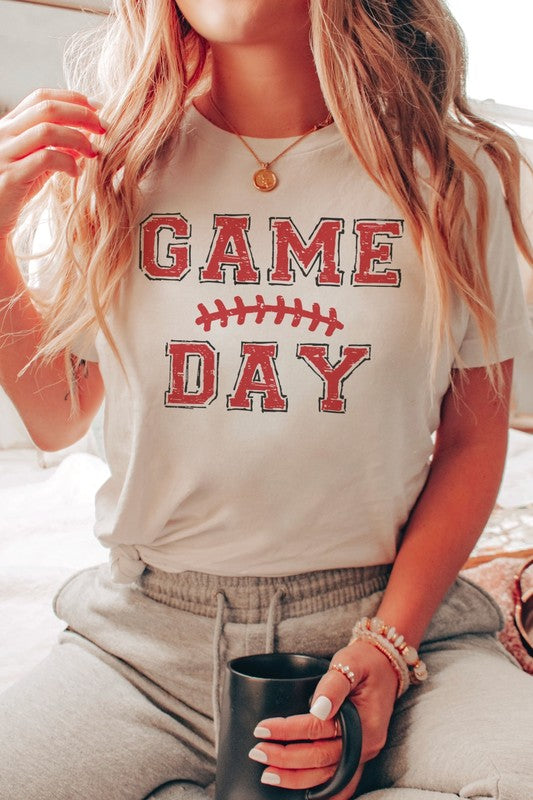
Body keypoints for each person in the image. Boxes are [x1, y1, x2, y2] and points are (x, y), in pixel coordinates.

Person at [0, 1, 532, 798]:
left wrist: (386, 648)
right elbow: (59, 411)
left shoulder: (456, 174)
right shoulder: (104, 164)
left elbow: (472, 441)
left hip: (387, 621)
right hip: (144, 646)